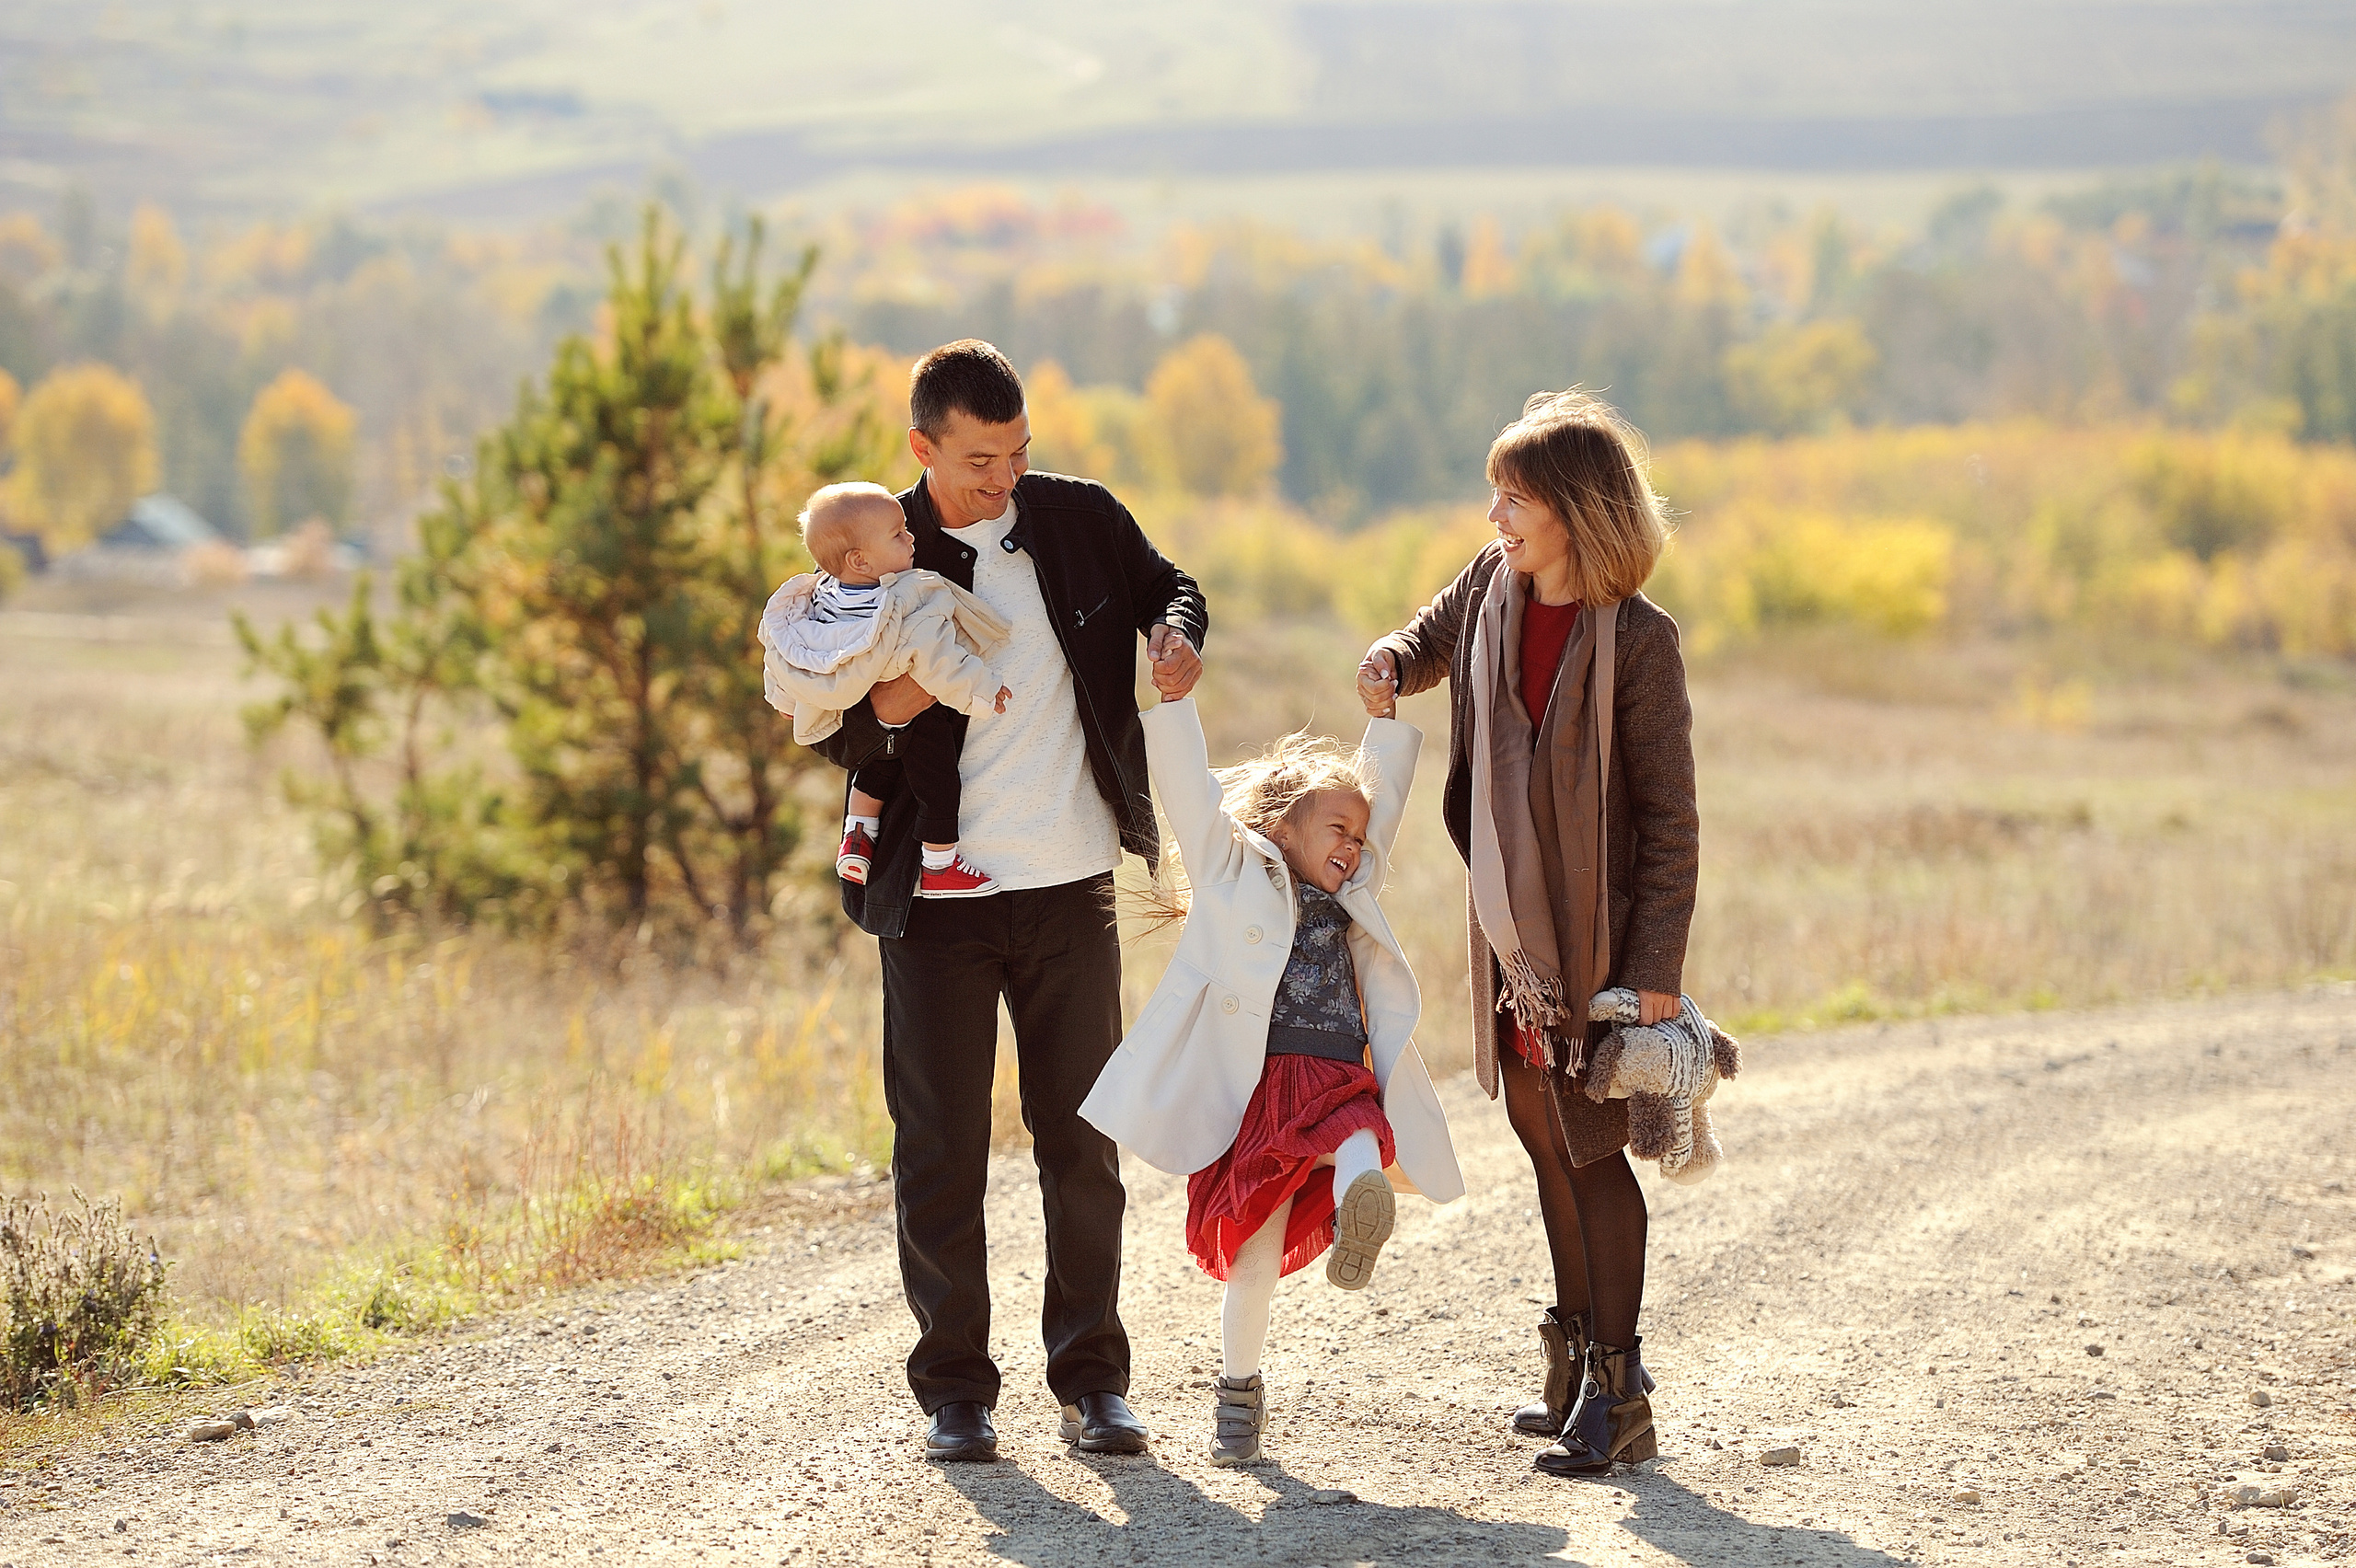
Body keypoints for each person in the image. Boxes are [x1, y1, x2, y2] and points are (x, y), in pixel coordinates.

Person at [804, 340, 1207, 1464]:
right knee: (940, 1147)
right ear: (922, 448)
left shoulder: (1078, 517)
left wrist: (1176, 634)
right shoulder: (873, 545)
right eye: (980, 460)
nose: (1004, 478)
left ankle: (1094, 1382)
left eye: (1018, 452)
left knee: (1082, 1146)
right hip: (935, 900)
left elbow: (1169, 586)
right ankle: (955, 1395)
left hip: (1071, 883)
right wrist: (888, 705)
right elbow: (828, 720)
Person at [1357, 389, 1698, 1476]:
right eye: (1494, 495)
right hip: (1510, 935)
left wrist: (1653, 969)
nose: (1494, 515)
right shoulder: (1490, 588)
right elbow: (1429, 637)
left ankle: (1619, 1393)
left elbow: (1670, 820)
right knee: (1541, 1135)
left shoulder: (1639, 643)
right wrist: (1393, 659)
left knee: (1590, 1151)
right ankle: (1575, 1363)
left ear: (1576, 512)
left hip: (1592, 949)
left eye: (1513, 498)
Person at [1079, 695, 1463, 1466]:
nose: (1353, 846)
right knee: (1254, 1259)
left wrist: (1386, 721)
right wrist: (1176, 705)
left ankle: (1359, 1205)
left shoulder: (1353, 890)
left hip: (1336, 1068)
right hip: (1258, 1086)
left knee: (1360, 1128)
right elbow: (1190, 798)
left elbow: (1380, 812)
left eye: (1359, 838)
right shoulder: (1231, 871)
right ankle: (1238, 1394)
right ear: (1284, 827)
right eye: (1337, 830)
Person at [758, 481, 1013, 899]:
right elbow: (937, 658)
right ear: (860, 560)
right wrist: (982, 689)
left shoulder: (818, 601)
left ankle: (857, 837)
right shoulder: (903, 602)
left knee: (880, 762)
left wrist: (785, 699)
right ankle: (940, 863)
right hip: (911, 703)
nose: (911, 538)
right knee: (937, 778)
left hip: (843, 708)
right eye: (898, 534)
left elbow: (785, 655)